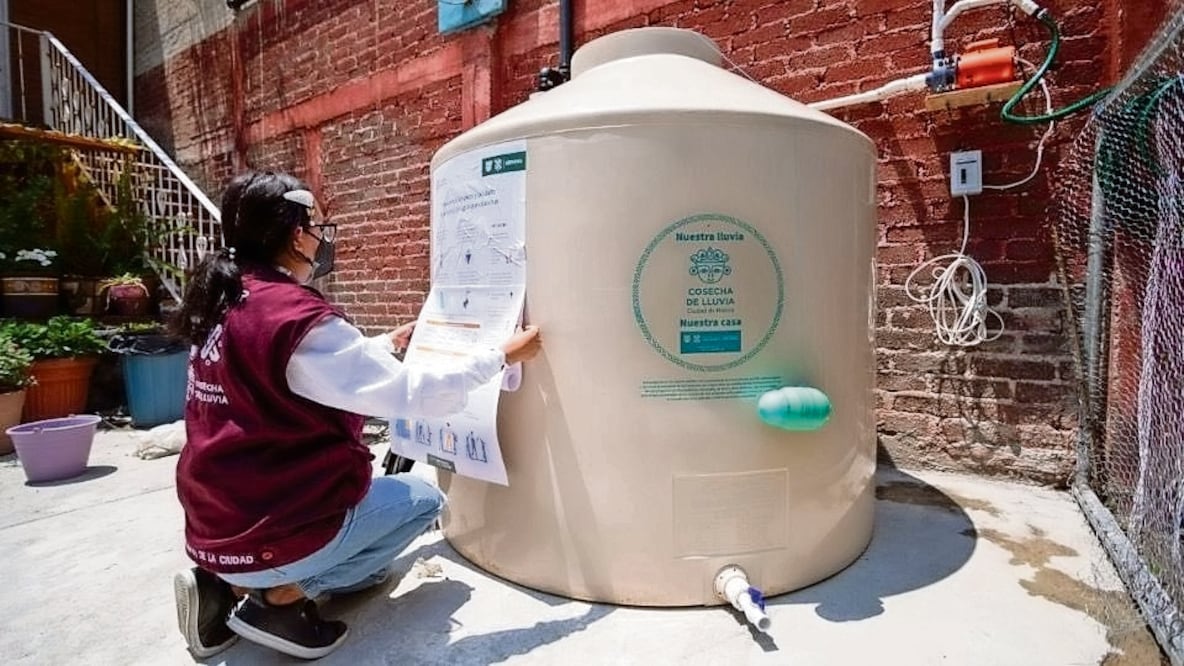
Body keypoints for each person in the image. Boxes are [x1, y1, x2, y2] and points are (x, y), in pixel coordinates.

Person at [169, 170, 541, 660]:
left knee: (368, 546)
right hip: (273, 524)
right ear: (297, 235)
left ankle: (224, 585)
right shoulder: (292, 315)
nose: (322, 239)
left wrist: (383, 345)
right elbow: (410, 393)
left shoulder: (222, 296)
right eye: (317, 227)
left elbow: (284, 373)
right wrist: (500, 357)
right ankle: (281, 599)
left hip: (215, 520)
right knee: (424, 502)